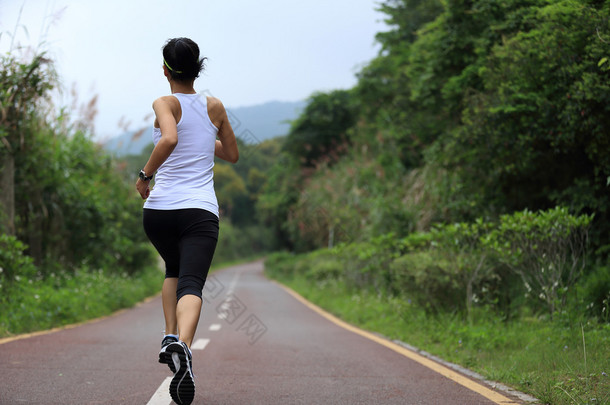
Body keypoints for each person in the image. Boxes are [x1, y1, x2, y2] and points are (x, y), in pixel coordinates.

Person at [136, 37, 238, 405]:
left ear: (165, 70)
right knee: (191, 282)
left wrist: (145, 176)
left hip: (159, 212)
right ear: (199, 68)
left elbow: (169, 138)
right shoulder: (215, 106)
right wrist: (206, 135)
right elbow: (232, 153)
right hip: (198, 212)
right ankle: (184, 346)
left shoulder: (164, 102)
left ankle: (168, 336)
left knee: (172, 270)